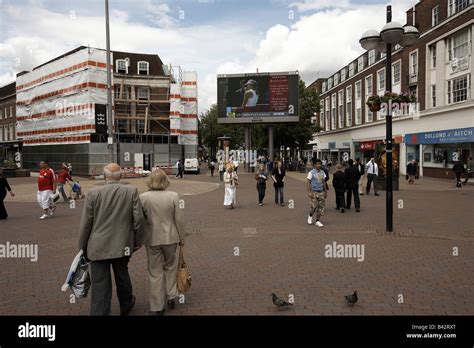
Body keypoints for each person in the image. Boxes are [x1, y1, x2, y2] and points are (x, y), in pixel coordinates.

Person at [78, 163, 143, 316]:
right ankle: (126, 304)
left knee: (100, 283)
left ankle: (100, 312)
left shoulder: (93, 193)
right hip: (122, 244)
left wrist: (82, 247)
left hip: (97, 246)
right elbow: (138, 219)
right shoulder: (131, 191)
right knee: (122, 275)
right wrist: (137, 241)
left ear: (105, 176)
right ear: (120, 176)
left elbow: (86, 224)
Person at [139, 169, 185, 315]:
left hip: (152, 238)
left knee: (154, 271)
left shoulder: (143, 198)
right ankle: (172, 295)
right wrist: (182, 238)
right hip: (170, 237)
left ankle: (157, 305)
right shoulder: (173, 196)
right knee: (171, 266)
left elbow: (140, 220)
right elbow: (179, 220)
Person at [307, 159, 327, 227]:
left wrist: (325, 191)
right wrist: (309, 192)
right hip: (314, 192)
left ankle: (317, 221)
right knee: (314, 206)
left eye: (320, 164)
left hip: (321, 192)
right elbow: (308, 182)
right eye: (317, 164)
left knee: (320, 208)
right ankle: (310, 216)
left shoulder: (322, 172)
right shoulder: (311, 172)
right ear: (314, 165)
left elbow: (324, 182)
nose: (319, 165)